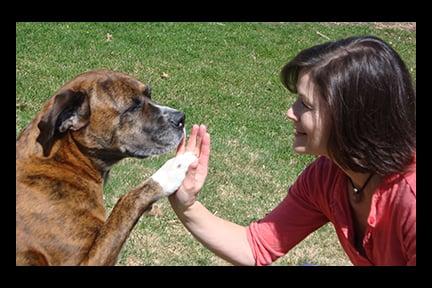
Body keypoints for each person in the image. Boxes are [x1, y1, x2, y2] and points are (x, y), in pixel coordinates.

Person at [169, 35, 416, 266]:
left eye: (305, 105)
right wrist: (187, 205)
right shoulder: (328, 176)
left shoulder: (411, 198)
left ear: (351, 117)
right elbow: (255, 246)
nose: (290, 113)